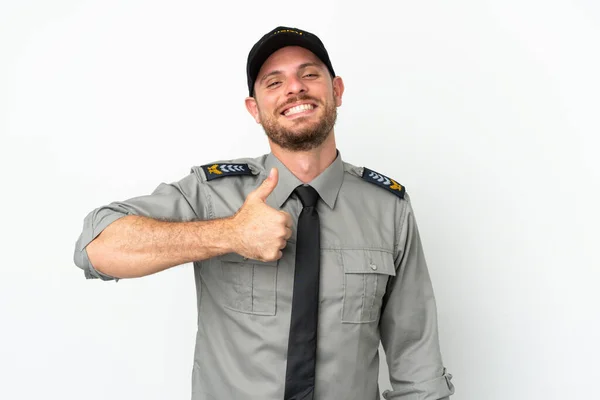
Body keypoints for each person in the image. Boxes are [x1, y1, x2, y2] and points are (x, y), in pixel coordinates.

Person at [74, 26, 455, 400]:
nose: (295, 88)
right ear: (254, 109)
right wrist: (229, 235)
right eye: (274, 82)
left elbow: (417, 365)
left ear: (336, 91)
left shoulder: (388, 208)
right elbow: (96, 248)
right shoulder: (212, 194)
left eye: (309, 74)